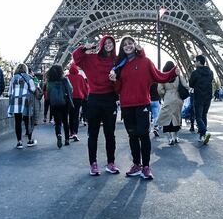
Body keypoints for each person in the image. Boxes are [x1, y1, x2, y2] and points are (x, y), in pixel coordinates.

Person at [109, 36, 177, 180]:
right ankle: (136, 164)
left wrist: (172, 73)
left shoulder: (145, 62)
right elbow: (118, 89)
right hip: (127, 106)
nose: (127, 46)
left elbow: (159, 75)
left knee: (144, 135)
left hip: (142, 104)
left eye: (130, 43)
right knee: (133, 136)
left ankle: (146, 166)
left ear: (135, 45)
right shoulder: (119, 66)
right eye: (124, 44)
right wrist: (114, 81)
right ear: (122, 48)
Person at [73, 36, 120, 176]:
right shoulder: (91, 58)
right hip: (94, 100)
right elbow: (76, 57)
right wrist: (84, 48)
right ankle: (93, 163)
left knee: (110, 134)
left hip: (110, 99)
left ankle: (111, 162)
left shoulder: (117, 61)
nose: (108, 45)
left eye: (110, 42)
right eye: (105, 42)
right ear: (101, 44)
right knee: (93, 134)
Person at [157, 61, 187, 145]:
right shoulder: (178, 76)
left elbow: (160, 90)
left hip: (168, 98)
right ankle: (176, 137)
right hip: (178, 99)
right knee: (177, 118)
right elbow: (185, 86)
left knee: (167, 119)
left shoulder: (163, 77)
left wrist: (164, 96)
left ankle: (170, 138)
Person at [7, 63, 38, 149]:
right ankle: (30, 140)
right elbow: (33, 89)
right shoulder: (28, 77)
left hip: (15, 102)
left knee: (17, 122)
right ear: (26, 69)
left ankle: (19, 142)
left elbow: (9, 92)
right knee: (28, 121)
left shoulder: (13, 78)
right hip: (26, 101)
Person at [46, 65, 73, 148]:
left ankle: (59, 134)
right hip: (64, 103)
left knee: (57, 123)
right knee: (65, 121)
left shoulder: (49, 82)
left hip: (54, 104)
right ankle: (67, 139)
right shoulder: (65, 80)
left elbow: (48, 93)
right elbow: (70, 89)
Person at [189, 55, 213, 145]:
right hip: (208, 97)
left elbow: (191, 84)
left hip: (199, 97)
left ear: (199, 62)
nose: (194, 63)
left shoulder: (195, 73)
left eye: (195, 61)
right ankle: (202, 136)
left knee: (198, 117)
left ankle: (205, 132)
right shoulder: (210, 72)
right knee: (204, 115)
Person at [66, 62, 89, 141]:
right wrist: (86, 96)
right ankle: (75, 133)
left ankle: (71, 133)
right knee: (76, 116)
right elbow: (85, 88)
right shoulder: (80, 77)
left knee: (70, 115)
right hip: (78, 98)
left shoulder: (67, 77)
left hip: (69, 98)